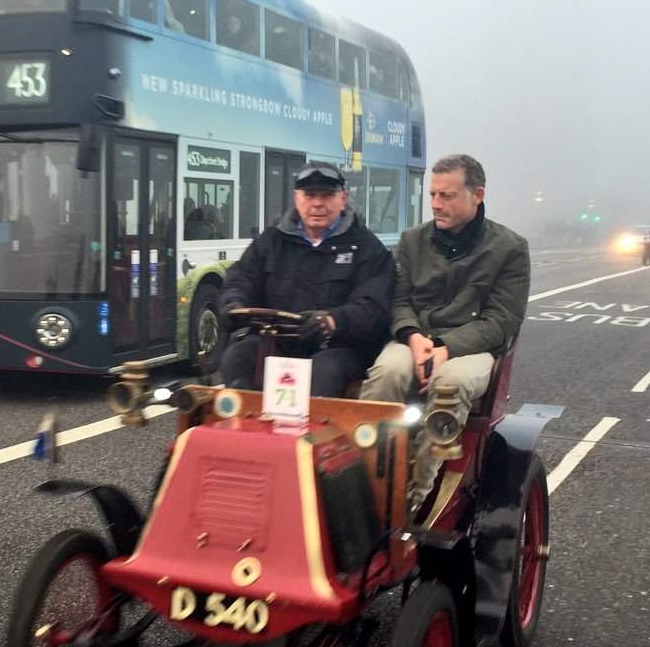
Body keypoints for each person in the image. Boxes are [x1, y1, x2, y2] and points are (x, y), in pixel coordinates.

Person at [359, 153, 530, 508]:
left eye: (447, 196)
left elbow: (501, 320)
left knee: (450, 384)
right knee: (386, 373)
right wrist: (413, 336)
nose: (436, 204)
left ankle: (414, 495)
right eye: (433, 195)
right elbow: (399, 300)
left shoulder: (509, 248)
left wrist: (446, 348)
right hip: (416, 340)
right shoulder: (412, 240)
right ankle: (365, 482)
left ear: (477, 195)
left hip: (471, 347)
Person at [218, 163, 395, 395]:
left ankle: (315, 431)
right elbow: (241, 278)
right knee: (238, 356)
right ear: (296, 198)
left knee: (323, 370)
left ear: (343, 198)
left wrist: (333, 321)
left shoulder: (366, 247)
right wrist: (233, 303)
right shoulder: (272, 241)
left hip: (340, 348)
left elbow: (374, 307)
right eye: (310, 195)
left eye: (327, 195)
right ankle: (243, 426)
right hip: (278, 343)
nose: (318, 203)